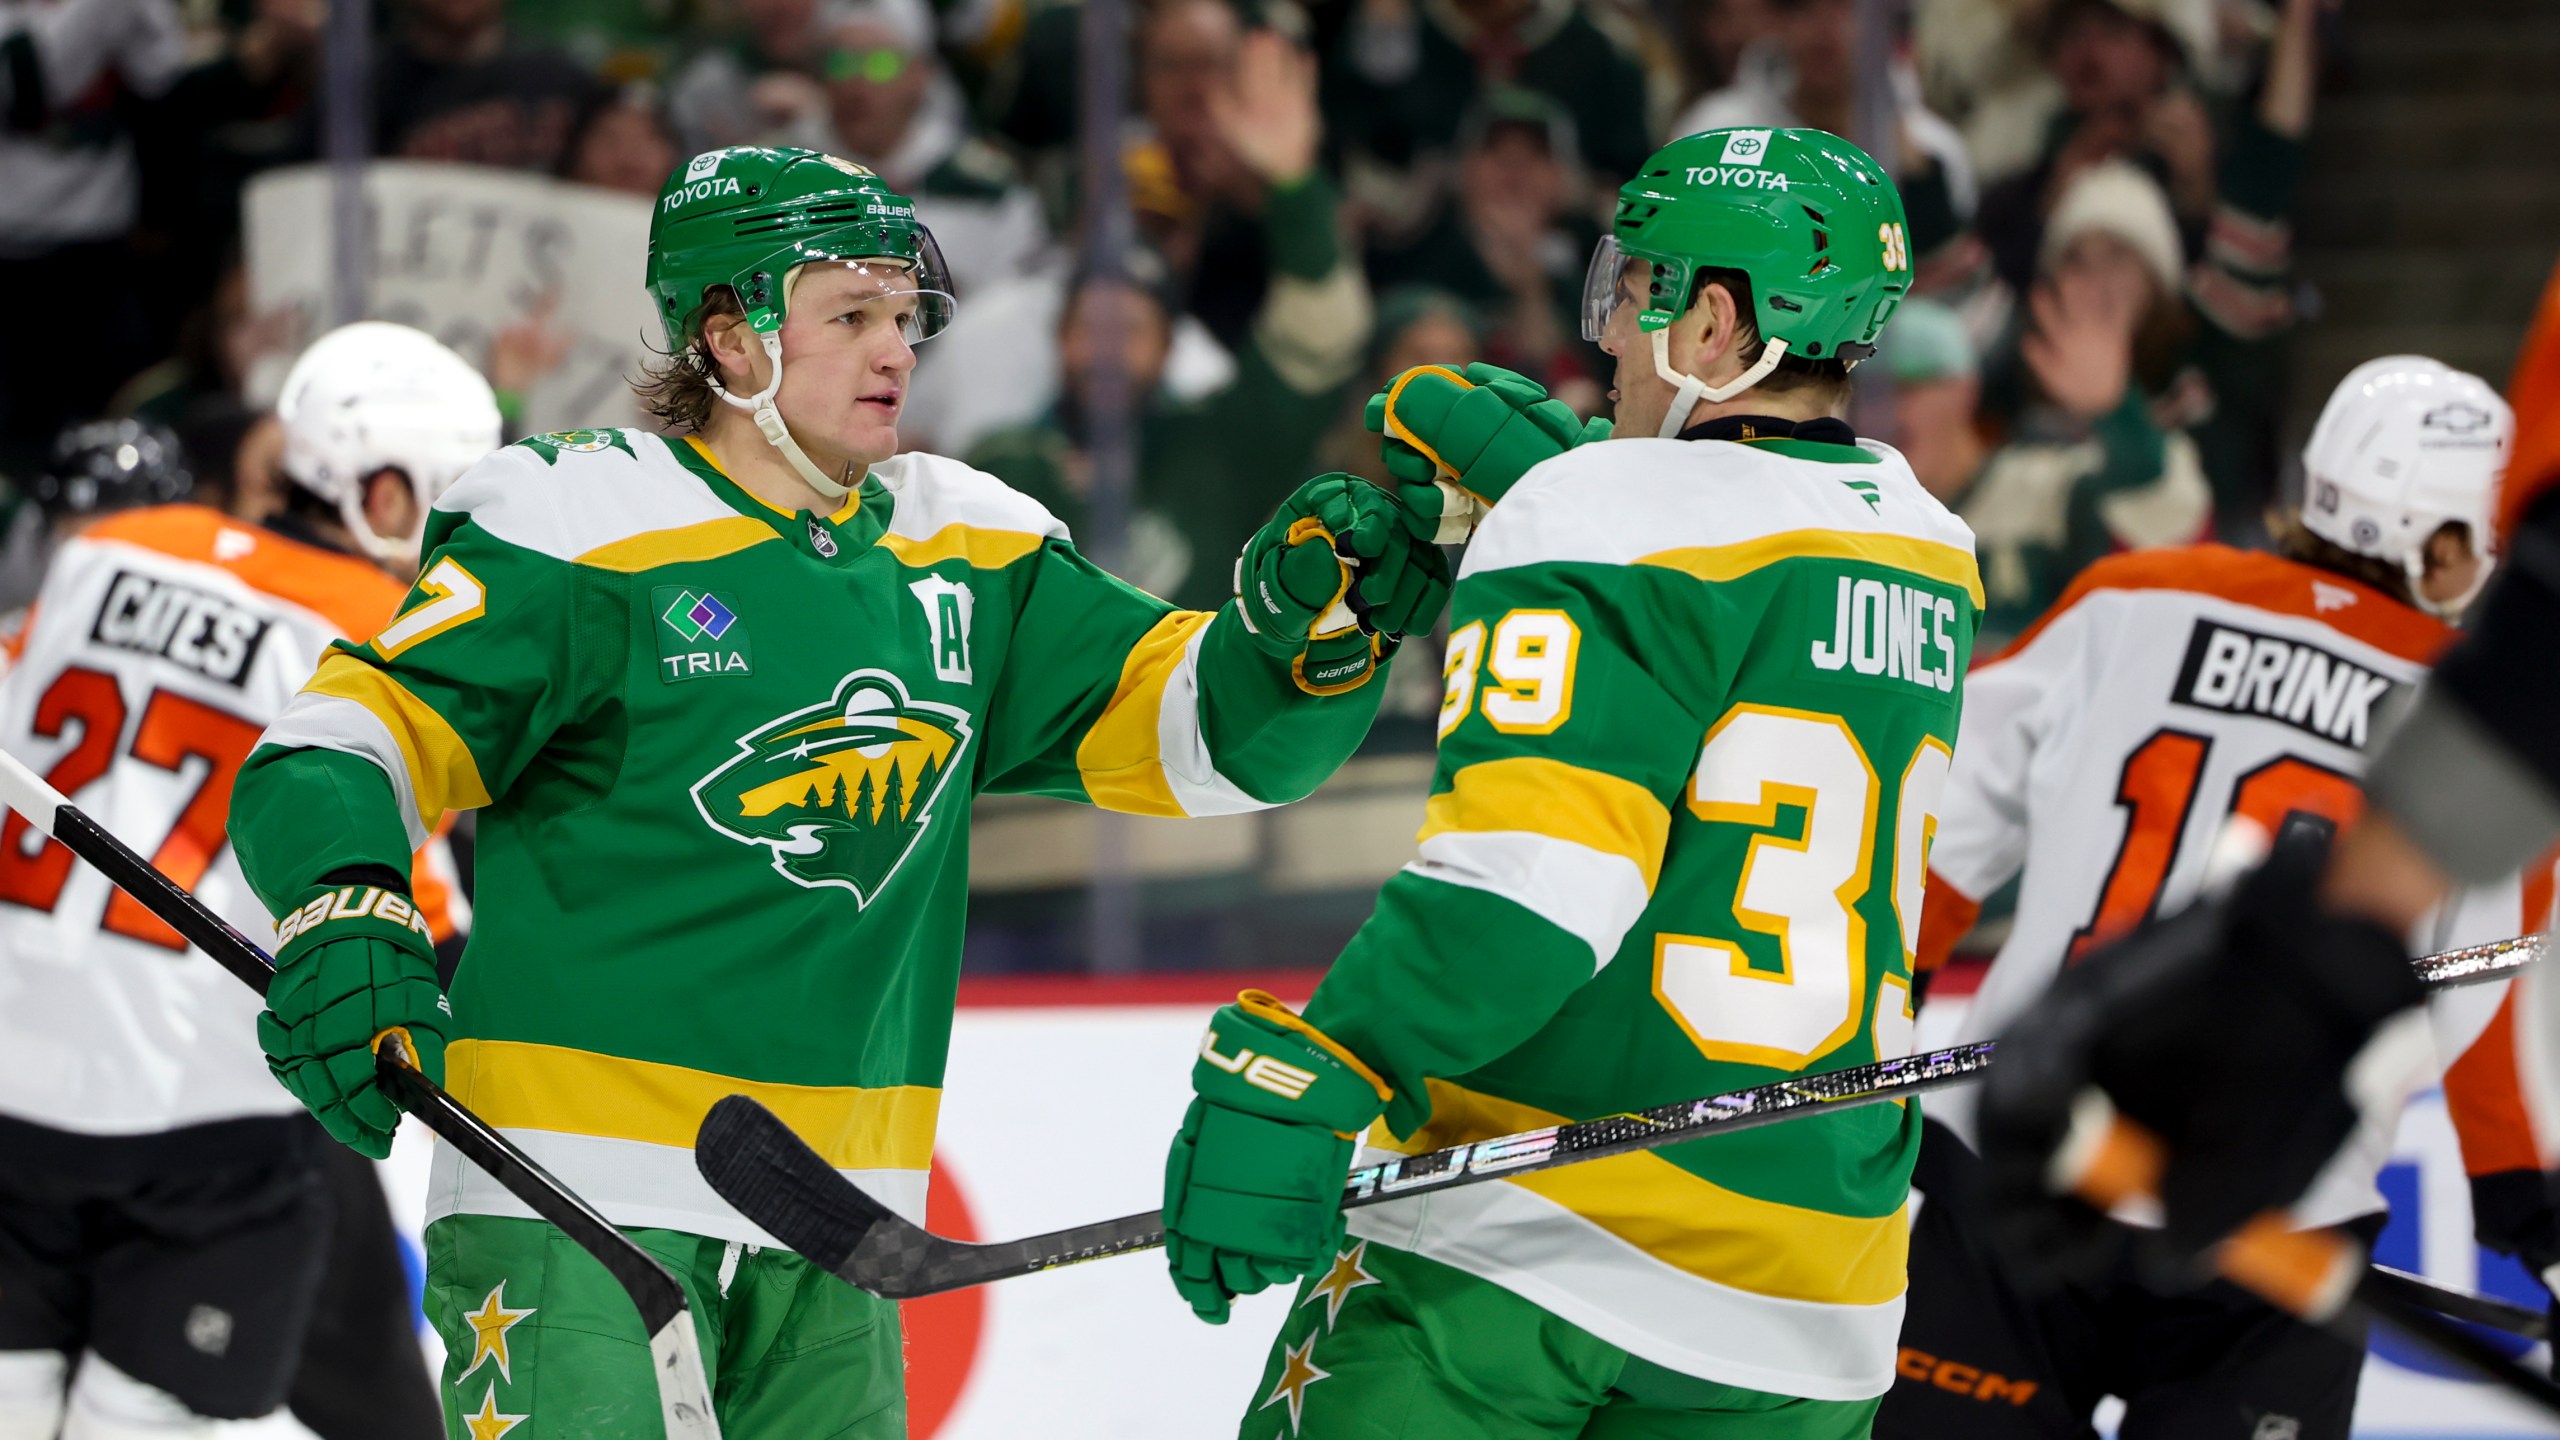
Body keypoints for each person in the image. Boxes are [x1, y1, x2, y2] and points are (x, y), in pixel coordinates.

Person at [223, 146, 1454, 1438]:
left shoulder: (969, 549)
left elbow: (1219, 745)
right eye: (851, 315)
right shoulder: (578, 522)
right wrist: (346, 906)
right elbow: (341, 739)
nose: (896, 352)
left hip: (842, 1229)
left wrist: (1310, 635)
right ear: (729, 335)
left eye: (905, 316)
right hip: (570, 1203)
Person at [1159, 127, 1976, 1438]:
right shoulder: (1930, 547)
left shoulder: (1601, 512)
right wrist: (1556, 505)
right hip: (1815, 1296)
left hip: (1541, 1236)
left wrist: (1330, 1062)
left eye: (1642, 289)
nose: (1611, 333)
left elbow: (1531, 896)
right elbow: (1737, 636)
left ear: (1717, 326)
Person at [1881, 355, 2517, 1440]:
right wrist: (2530, 1212)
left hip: (2027, 1159)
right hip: (2272, 1224)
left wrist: (1877, 1005)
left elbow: (1929, 834)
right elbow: (2492, 1013)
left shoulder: (2135, 597)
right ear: (2444, 544)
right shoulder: (2478, 722)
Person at [0, 325, 491, 1440]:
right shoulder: (390, 640)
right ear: (385, 489)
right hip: (196, 1136)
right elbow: (414, 932)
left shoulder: (111, 549)